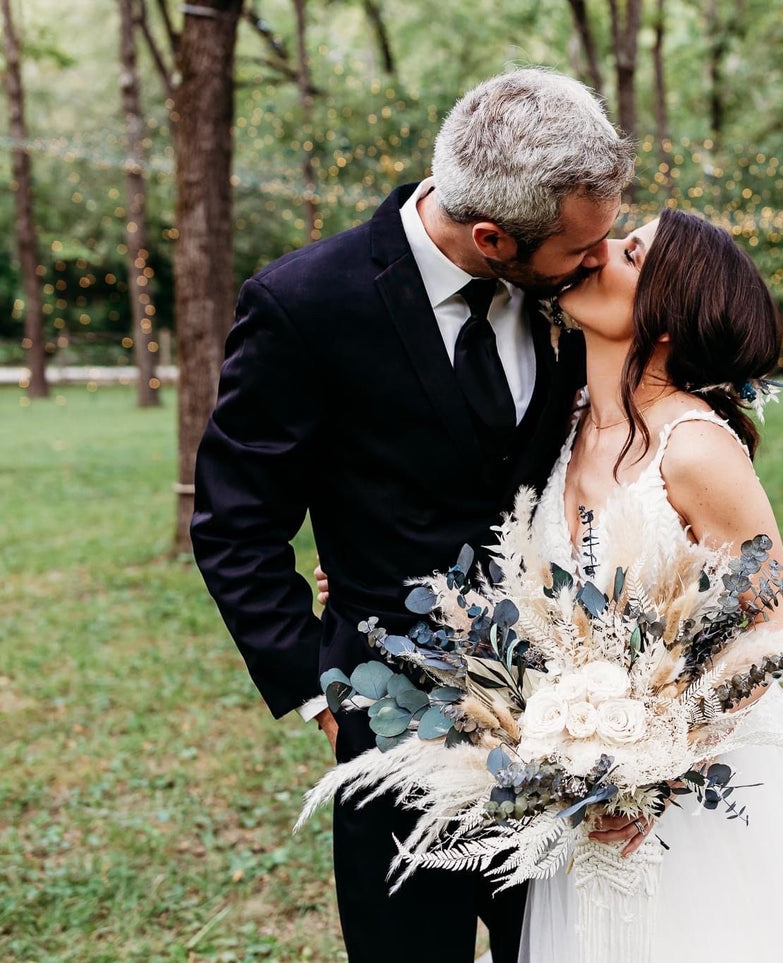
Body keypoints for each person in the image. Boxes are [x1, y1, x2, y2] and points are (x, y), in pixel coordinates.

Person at [320, 207, 783, 960]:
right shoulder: (560, 423)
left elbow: (774, 618)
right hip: (575, 779)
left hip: (677, 793)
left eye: (628, 253)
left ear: (667, 314)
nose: (598, 253)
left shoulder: (694, 446)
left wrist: (657, 771)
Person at [190, 68, 634, 963]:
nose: (601, 256)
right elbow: (235, 521)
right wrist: (324, 692)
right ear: (491, 236)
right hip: (392, 730)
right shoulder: (304, 304)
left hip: (566, 719)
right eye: (580, 247)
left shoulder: (578, 301)